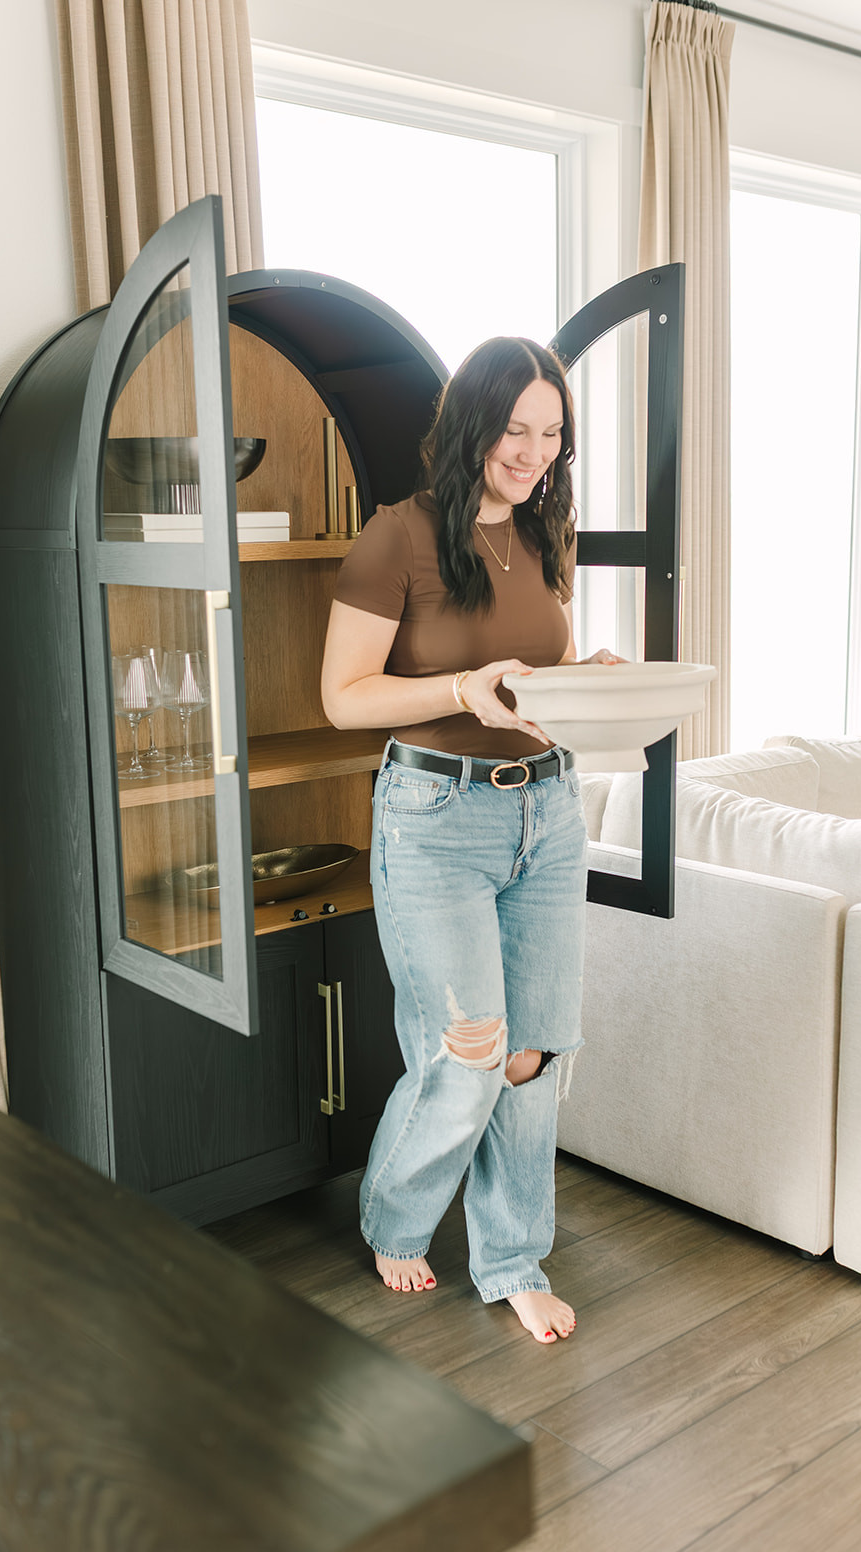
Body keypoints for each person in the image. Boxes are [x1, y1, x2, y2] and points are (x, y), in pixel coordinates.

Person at [320, 335, 621, 1344]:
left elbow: (538, 682)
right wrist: (457, 685)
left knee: (534, 1053)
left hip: (545, 810)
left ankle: (509, 1259)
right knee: (468, 1054)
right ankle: (392, 1215)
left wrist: (592, 679)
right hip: (435, 818)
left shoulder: (543, 534)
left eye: (550, 433)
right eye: (512, 428)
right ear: (469, 424)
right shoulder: (394, 537)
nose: (531, 451)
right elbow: (341, 696)